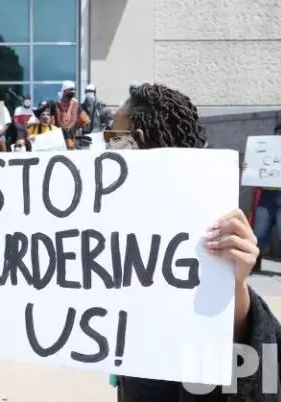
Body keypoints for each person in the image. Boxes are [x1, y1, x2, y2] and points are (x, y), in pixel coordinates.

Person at [106, 83, 273, 401]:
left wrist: (235, 284)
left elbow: (251, 360)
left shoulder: (210, 225)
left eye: (111, 136)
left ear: (138, 141)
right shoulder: (122, 215)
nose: (105, 146)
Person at [245, 123, 281, 271]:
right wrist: (247, 168)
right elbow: (253, 168)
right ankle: (255, 264)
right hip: (266, 196)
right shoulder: (265, 151)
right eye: (278, 134)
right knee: (258, 232)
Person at [55, 81, 90, 149]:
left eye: (74, 90)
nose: (73, 91)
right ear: (64, 91)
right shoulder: (56, 106)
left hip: (73, 142)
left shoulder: (76, 106)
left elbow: (86, 121)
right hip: (59, 143)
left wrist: (77, 128)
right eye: (71, 90)